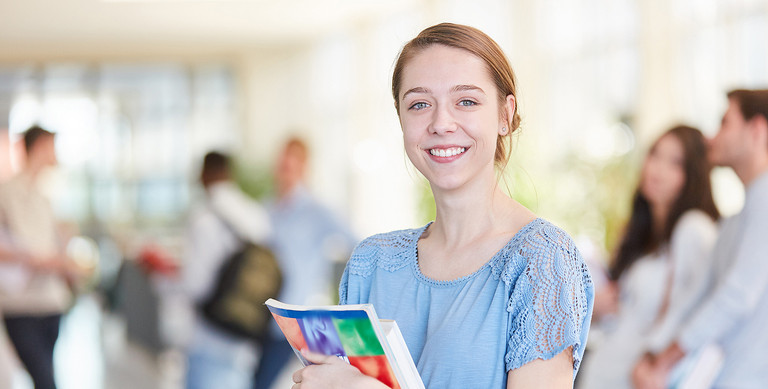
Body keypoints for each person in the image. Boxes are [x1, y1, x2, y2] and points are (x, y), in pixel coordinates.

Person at [290, 23, 594, 389]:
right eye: (419, 104)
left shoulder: (541, 260)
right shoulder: (370, 263)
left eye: (466, 101)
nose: (441, 123)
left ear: (504, 114)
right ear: (401, 118)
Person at [634, 89, 768, 388]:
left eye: (725, 123)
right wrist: (654, 357)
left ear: (757, 130)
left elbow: (737, 296)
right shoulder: (736, 220)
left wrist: (665, 360)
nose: (711, 138)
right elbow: (698, 293)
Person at [578, 126, 720, 388]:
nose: (657, 169)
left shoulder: (694, 229)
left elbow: (700, 312)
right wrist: (597, 307)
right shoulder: (643, 236)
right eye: (655, 155)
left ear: (694, 175)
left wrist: (658, 363)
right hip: (604, 372)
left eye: (675, 163)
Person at [253, 137, 357, 389]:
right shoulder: (266, 209)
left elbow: (358, 243)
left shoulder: (317, 210)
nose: (284, 169)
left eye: (291, 164)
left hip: (295, 319)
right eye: (282, 163)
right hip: (261, 317)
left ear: (303, 167)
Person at [0, 126, 82, 389]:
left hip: (50, 301)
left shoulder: (43, 196)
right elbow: (30, 251)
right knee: (45, 379)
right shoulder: (9, 193)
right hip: (22, 303)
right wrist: (52, 261)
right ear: (40, 146)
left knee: (45, 375)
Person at [182, 151, 271, 389]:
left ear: (204, 174)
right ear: (230, 174)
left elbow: (194, 286)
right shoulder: (256, 215)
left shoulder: (204, 218)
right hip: (244, 341)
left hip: (208, 341)